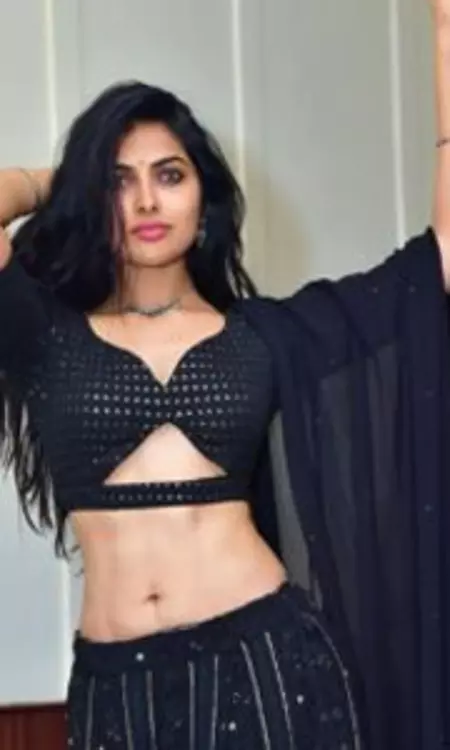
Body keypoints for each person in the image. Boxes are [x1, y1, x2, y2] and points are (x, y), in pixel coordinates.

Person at [1, 3, 450, 748]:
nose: (146, 200)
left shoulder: (265, 335)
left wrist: (442, 36)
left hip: (266, 660)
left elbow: (438, 262)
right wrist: (64, 183)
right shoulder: (48, 335)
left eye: (169, 175)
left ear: (203, 201)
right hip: (118, 687)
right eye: (119, 181)